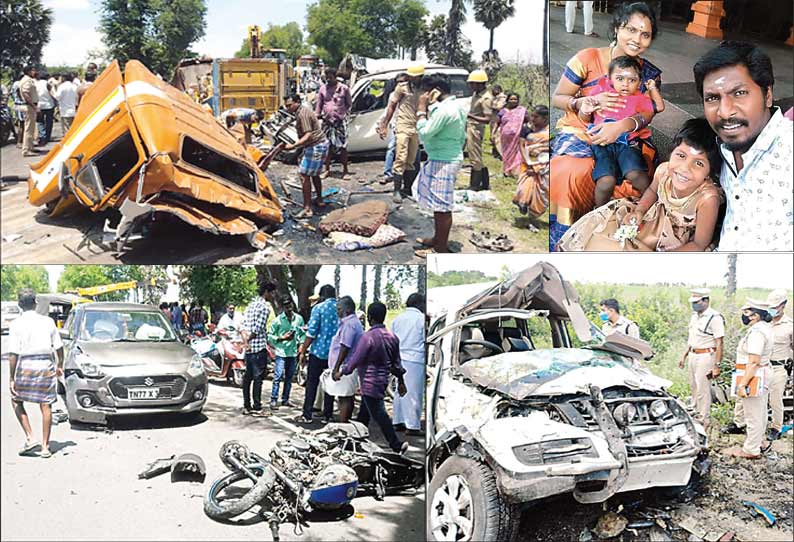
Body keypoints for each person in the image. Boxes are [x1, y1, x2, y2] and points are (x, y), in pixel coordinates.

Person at [550, 2, 661, 250]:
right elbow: (558, 98)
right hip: (582, 131)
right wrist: (581, 103)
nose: (637, 39)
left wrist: (625, 124)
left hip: (628, 138)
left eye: (645, 34)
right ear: (616, 28)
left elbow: (649, 112)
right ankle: (565, 236)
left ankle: (605, 233)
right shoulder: (586, 59)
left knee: (638, 177)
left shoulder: (649, 74)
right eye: (630, 29)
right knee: (571, 171)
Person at [557, 118, 722, 252]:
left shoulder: (707, 198)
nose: (685, 168)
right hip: (653, 218)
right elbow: (651, 191)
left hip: (674, 238)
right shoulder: (664, 170)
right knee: (609, 229)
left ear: (710, 172)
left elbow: (699, 244)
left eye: (699, 163)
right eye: (681, 155)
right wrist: (639, 211)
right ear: (672, 152)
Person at [693, 41, 792, 251]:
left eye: (739, 93)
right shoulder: (721, 148)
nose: (725, 112)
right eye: (712, 98)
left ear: (767, 95)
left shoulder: (788, 152)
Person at [577, 55, 663, 206]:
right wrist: (585, 110)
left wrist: (653, 89)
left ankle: (652, 204)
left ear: (639, 82)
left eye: (632, 80)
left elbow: (657, 108)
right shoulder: (601, 92)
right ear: (609, 78)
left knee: (635, 174)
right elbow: (585, 118)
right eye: (620, 78)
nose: (625, 84)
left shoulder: (640, 98)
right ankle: (599, 212)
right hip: (602, 144)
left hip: (628, 144)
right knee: (605, 182)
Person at [340, 301, 408, 454]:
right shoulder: (392, 337)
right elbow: (397, 364)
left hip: (369, 383)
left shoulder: (368, 338)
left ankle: (396, 445)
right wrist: (401, 382)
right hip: (381, 382)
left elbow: (354, 361)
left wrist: (341, 372)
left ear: (370, 317)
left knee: (380, 415)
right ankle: (353, 444)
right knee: (363, 415)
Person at [412, 76, 467, 258]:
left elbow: (425, 133)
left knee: (442, 207)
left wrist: (421, 111)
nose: (423, 95)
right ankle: (438, 239)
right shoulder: (455, 106)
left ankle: (440, 249)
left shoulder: (445, 110)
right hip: (445, 157)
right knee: (438, 204)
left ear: (435, 91)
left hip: (444, 160)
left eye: (425, 92)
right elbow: (461, 137)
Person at [7, 289, 65, 459]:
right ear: (35, 303)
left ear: (19, 305)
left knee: (16, 399)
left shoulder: (16, 324)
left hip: (25, 365)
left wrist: (12, 377)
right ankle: (46, 447)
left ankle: (30, 437)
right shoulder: (48, 322)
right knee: (46, 405)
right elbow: (59, 347)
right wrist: (60, 364)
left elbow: (13, 353)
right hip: (45, 365)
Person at [726, 299, 774, 459]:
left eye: (746, 312)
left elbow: (753, 361)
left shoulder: (757, 333)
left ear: (755, 315)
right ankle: (758, 442)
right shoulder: (764, 328)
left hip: (754, 375)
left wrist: (742, 384)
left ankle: (751, 450)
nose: (744, 316)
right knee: (759, 412)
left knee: (752, 413)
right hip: (761, 372)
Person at [377, 63, 425, 202]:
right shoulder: (401, 87)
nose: (413, 78)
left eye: (415, 76)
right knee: (400, 158)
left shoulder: (424, 89)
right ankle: (396, 190)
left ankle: (408, 188)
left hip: (416, 127)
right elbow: (391, 106)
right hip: (403, 125)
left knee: (411, 160)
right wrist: (384, 124)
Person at [679, 288, 724, 424]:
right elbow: (692, 338)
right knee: (693, 386)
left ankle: (704, 418)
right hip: (693, 354)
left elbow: (719, 342)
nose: (694, 305)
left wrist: (716, 365)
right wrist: (684, 355)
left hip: (706, 355)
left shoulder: (714, 318)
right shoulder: (695, 316)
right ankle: (696, 412)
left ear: (706, 301)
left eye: (697, 302)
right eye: (693, 302)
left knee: (702, 388)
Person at [283, 93, 329, 219]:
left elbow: (308, 134)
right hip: (317, 144)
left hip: (316, 145)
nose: (288, 108)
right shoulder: (301, 111)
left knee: (304, 175)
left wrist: (293, 146)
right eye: (286, 106)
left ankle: (307, 209)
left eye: (290, 105)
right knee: (314, 174)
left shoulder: (303, 114)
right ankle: (319, 200)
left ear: (297, 102)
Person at [298, 285, 338, 423]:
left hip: (318, 352)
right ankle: (328, 415)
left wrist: (303, 350)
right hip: (334, 354)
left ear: (322, 295)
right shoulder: (341, 308)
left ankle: (307, 414)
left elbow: (311, 332)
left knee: (312, 384)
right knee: (330, 385)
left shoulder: (318, 308)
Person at [391, 293, 426, 436]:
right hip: (415, 359)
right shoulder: (421, 319)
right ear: (419, 304)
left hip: (399, 357)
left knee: (400, 391)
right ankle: (412, 425)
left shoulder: (397, 319)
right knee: (413, 393)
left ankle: (398, 421)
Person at [240, 282, 277, 415]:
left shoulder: (250, 306)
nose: (273, 296)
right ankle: (257, 406)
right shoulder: (265, 308)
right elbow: (258, 328)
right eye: (272, 293)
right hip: (258, 348)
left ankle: (246, 405)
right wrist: (249, 340)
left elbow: (243, 326)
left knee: (247, 377)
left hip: (249, 349)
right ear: (266, 292)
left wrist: (245, 342)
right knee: (258, 378)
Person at [327, 296, 364, 422]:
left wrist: (336, 368)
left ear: (346, 310)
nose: (337, 311)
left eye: (339, 309)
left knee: (345, 398)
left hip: (345, 366)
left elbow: (345, 347)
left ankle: (344, 426)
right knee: (346, 397)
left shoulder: (349, 324)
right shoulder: (351, 323)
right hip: (347, 365)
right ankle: (345, 424)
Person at [267, 295, 305, 410]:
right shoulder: (278, 320)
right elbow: (270, 336)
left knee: (289, 377)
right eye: (286, 306)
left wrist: (301, 346)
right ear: (283, 307)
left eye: (290, 305)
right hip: (281, 352)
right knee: (278, 376)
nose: (289, 308)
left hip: (292, 352)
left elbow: (302, 334)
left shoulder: (298, 319)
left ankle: (285, 399)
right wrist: (281, 338)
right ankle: (274, 399)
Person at [765, 289, 793, 441]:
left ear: (783, 305)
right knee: (759, 398)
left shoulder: (790, 325)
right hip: (762, 366)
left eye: (776, 306)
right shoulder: (764, 322)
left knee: (775, 399)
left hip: (778, 367)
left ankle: (776, 427)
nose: (773, 309)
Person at [316, 67, 352, 180]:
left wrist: (340, 113)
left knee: (343, 147)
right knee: (327, 147)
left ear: (335, 76)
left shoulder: (344, 88)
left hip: (339, 122)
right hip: (327, 122)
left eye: (330, 77)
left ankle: (345, 171)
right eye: (326, 78)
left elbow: (349, 103)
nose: (328, 80)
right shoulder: (322, 89)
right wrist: (318, 115)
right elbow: (319, 105)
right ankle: (326, 170)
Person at [466, 69, 493, 191]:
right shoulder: (476, 95)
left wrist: (470, 116)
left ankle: (475, 184)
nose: (471, 86)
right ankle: (482, 183)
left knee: (475, 156)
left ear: (480, 83)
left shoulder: (486, 98)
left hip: (476, 128)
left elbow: (487, 119)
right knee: (473, 154)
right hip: (471, 126)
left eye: (473, 83)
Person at [497, 93, 529, 177]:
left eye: (515, 99)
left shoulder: (522, 111)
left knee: (518, 153)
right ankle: (506, 171)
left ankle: (516, 171)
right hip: (505, 137)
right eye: (511, 99)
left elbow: (527, 120)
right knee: (506, 153)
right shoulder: (503, 111)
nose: (513, 101)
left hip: (518, 136)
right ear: (507, 100)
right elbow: (498, 122)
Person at [19, 66, 40, 157]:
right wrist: (34, 106)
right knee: (28, 129)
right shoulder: (27, 81)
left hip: (29, 106)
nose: (34, 72)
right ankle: (26, 150)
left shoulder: (27, 80)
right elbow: (25, 93)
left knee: (31, 128)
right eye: (33, 70)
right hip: (29, 106)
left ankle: (30, 147)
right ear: (28, 71)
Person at [35, 72, 56, 145]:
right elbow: (53, 94)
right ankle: (47, 137)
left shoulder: (35, 84)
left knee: (40, 122)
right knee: (49, 122)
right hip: (49, 105)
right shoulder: (48, 84)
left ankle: (42, 136)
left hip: (39, 105)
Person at [489, 84, 506, 157]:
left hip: (499, 119)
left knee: (497, 136)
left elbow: (499, 107)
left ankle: (501, 154)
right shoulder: (495, 98)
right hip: (493, 118)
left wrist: (490, 106)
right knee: (493, 135)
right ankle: (495, 152)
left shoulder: (502, 98)